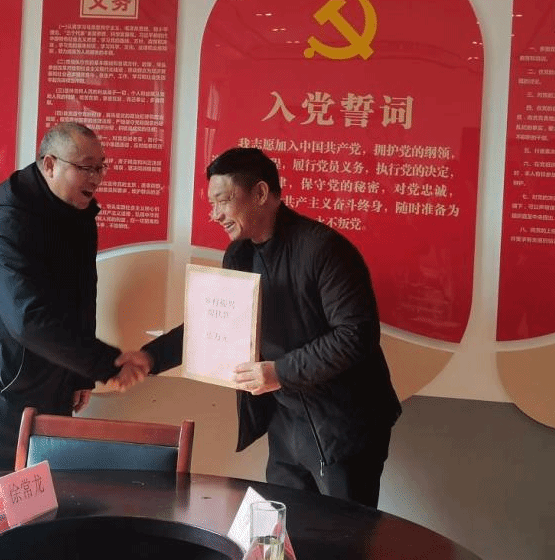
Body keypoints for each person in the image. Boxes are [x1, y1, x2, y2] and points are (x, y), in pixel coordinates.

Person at [128, 146, 401, 507]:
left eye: (223, 201)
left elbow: (355, 335)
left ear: (260, 193)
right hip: (286, 421)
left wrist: (279, 372)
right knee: (286, 525)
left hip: (344, 424)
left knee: (345, 532)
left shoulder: (323, 249)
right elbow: (214, 323)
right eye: (212, 204)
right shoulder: (239, 254)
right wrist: (149, 358)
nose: (216, 214)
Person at [0, 122, 146, 473]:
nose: (96, 178)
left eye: (100, 167)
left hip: (48, 392)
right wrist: (104, 364)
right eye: (85, 167)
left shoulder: (78, 214)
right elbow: (26, 318)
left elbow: (82, 294)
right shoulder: (8, 222)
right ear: (49, 165)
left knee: (39, 502)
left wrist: (78, 375)